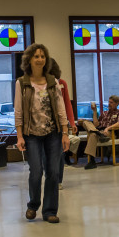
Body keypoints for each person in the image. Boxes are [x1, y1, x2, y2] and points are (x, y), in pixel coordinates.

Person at [15, 44, 69, 224]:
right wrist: (19, 136)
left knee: (53, 172)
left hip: (53, 133)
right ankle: (33, 205)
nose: (40, 59)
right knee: (36, 171)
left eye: (42, 56)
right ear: (29, 60)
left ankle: (50, 211)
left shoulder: (53, 82)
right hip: (31, 134)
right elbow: (18, 111)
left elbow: (61, 108)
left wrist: (65, 133)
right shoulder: (21, 83)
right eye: (36, 56)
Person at [48, 59, 79, 189]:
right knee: (47, 154)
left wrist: (72, 122)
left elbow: (67, 104)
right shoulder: (39, 84)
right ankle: (50, 178)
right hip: (44, 125)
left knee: (59, 153)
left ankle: (58, 180)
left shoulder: (62, 83)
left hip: (60, 124)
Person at [81, 96, 119, 170]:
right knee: (85, 122)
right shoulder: (104, 113)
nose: (109, 104)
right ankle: (92, 161)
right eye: (109, 102)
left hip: (110, 132)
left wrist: (107, 128)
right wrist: (94, 111)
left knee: (93, 134)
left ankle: (92, 161)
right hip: (100, 131)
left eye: (111, 102)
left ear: (117, 104)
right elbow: (96, 124)